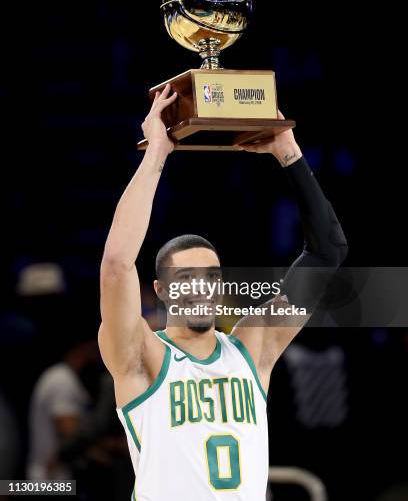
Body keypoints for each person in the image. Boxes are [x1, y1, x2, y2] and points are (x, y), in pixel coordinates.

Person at [98, 84, 348, 500]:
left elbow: (327, 252)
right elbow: (116, 266)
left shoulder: (253, 347)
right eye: (187, 278)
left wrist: (288, 150)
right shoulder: (143, 357)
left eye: (210, 277)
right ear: (160, 290)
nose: (200, 288)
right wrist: (158, 153)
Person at [26, 338, 97, 479]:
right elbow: (69, 431)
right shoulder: (62, 380)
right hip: (52, 479)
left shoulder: (64, 377)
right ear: (83, 348)